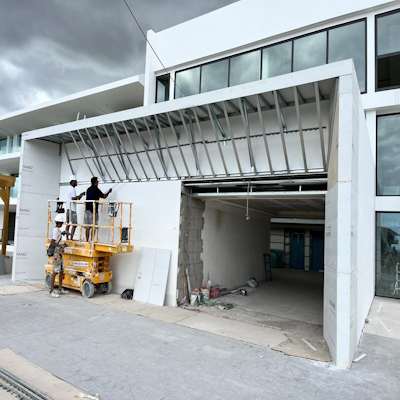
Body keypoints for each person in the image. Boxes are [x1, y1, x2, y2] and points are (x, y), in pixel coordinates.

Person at [84, 177, 112, 242]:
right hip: (93, 211)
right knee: (93, 226)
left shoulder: (88, 189)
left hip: (87, 210)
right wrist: (109, 192)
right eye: (97, 181)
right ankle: (92, 241)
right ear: (95, 182)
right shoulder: (96, 189)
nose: (98, 183)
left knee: (87, 227)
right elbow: (104, 196)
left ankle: (87, 241)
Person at [49, 214, 69, 298]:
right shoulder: (56, 231)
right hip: (56, 253)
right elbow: (52, 242)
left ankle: (60, 289)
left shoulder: (58, 230)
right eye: (62, 223)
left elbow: (57, 239)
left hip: (59, 253)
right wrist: (60, 246)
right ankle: (51, 291)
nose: (62, 224)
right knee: (55, 271)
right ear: (59, 223)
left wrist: (63, 234)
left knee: (61, 270)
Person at [65, 175, 85, 240]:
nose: (76, 182)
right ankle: (71, 238)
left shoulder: (70, 189)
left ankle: (67, 238)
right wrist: (80, 195)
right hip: (72, 209)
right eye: (75, 181)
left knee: (68, 223)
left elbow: (74, 198)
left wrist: (80, 196)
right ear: (72, 182)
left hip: (68, 208)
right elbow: (73, 198)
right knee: (74, 224)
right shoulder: (72, 189)